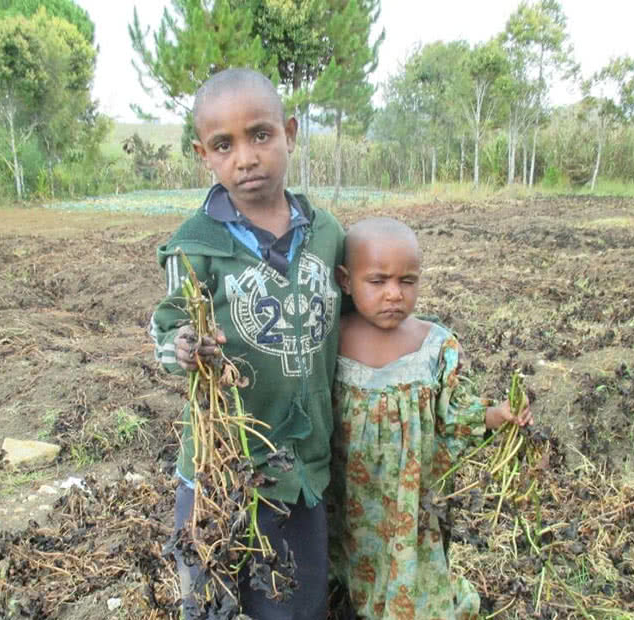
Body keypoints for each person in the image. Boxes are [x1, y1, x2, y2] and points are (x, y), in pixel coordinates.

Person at [149, 67, 345, 620]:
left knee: (295, 604)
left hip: (300, 472)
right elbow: (165, 327)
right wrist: (183, 347)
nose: (246, 156)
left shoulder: (327, 235)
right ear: (202, 154)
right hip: (219, 469)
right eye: (224, 144)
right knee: (210, 601)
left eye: (261, 135)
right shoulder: (194, 248)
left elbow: (356, 314)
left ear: (289, 131)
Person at [326, 217, 533, 620]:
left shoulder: (433, 346)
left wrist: (496, 416)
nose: (393, 294)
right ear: (345, 280)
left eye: (407, 281)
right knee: (349, 570)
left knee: (411, 578)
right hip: (346, 501)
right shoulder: (330, 341)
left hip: (409, 504)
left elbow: (452, 415)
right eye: (378, 281)